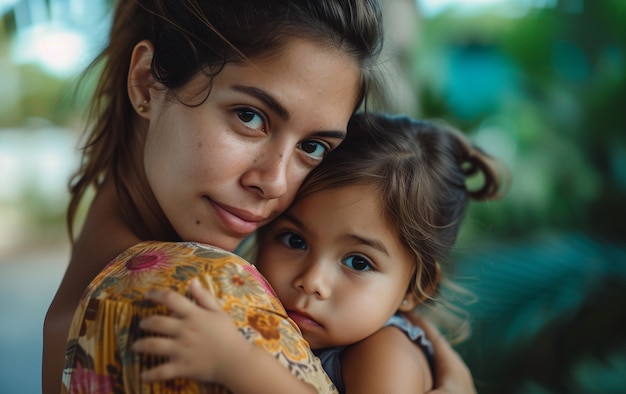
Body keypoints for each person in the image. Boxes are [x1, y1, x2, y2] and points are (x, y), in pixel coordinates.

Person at [44, 0, 384, 392]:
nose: (274, 182)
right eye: (249, 116)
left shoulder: (86, 290)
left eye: (313, 147)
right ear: (145, 82)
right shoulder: (203, 296)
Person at [131, 112, 506, 393]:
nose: (312, 281)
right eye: (294, 240)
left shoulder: (386, 349)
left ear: (415, 290)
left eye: (358, 262)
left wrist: (237, 363)